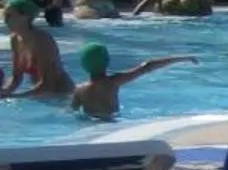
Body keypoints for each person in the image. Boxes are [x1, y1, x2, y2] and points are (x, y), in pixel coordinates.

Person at [69, 41, 198, 121]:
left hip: (90, 127)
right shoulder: (112, 82)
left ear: (83, 65)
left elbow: (73, 112)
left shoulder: (79, 90)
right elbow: (147, 66)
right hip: (111, 124)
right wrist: (182, 58)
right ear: (107, 61)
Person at [2, 0, 73, 98]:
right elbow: (16, 78)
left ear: (26, 17)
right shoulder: (15, 39)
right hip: (41, 94)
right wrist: (4, 92)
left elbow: (47, 84)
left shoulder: (41, 40)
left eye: (9, 15)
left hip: (61, 96)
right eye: (4, 15)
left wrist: (17, 97)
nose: (5, 20)